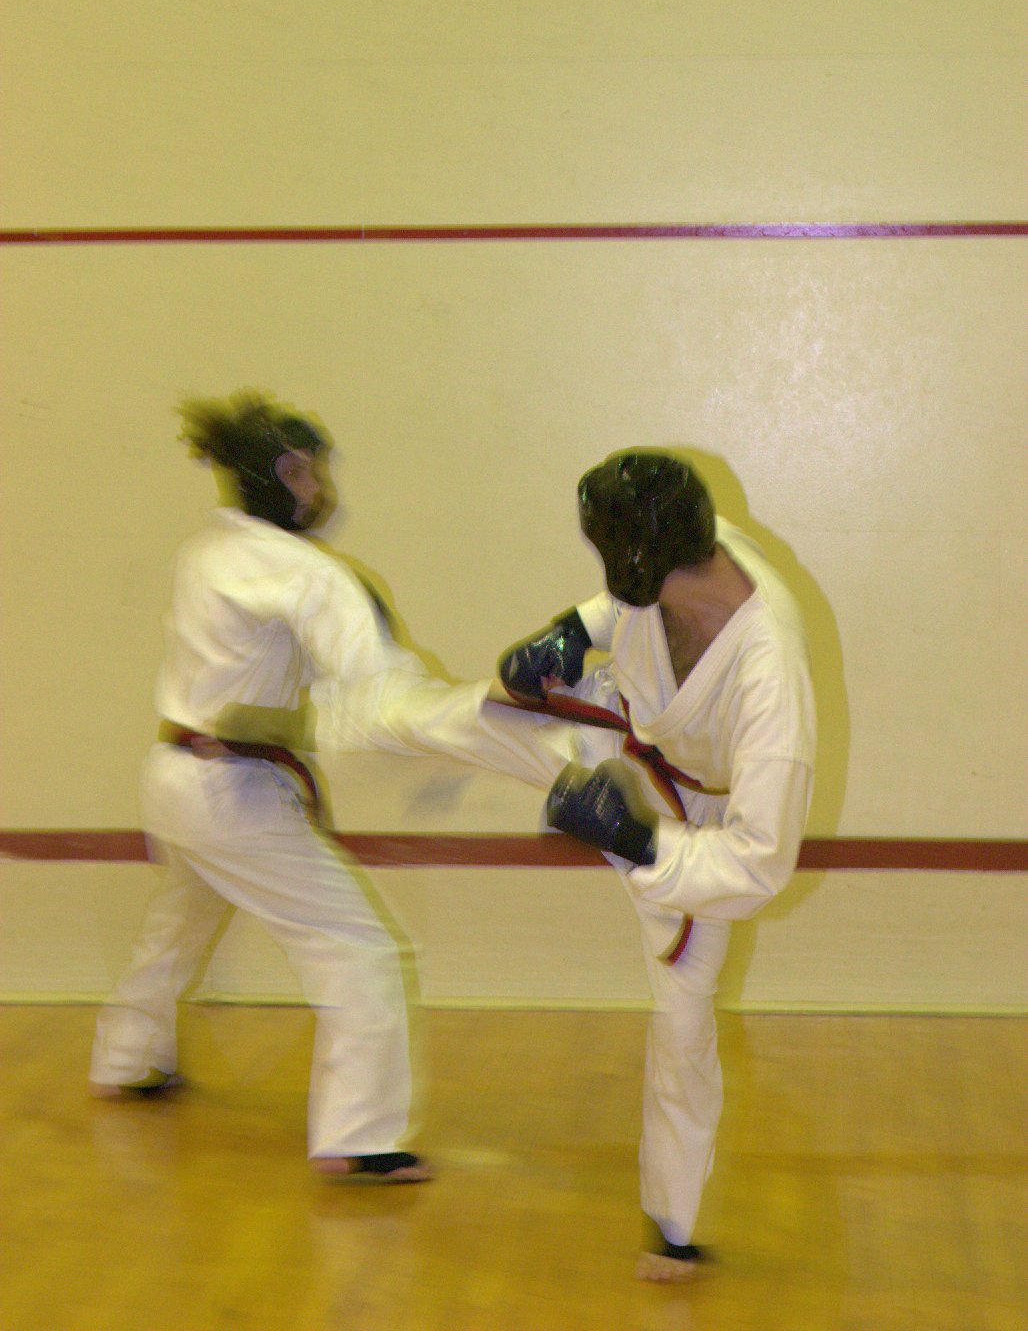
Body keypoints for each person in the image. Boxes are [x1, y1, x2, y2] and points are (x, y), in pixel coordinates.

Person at [321, 449, 816, 1278]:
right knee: (471, 713)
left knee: (683, 1021)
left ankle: (674, 1227)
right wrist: (574, 631)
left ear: (642, 557)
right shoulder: (702, 539)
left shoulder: (771, 676)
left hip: (692, 829)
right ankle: (335, 715)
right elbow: (620, 604)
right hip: (617, 732)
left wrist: (637, 838)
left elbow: (760, 864)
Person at [89, 392, 432, 1182]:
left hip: (171, 778)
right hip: (230, 793)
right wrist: (469, 721)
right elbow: (378, 692)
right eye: (301, 472)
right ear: (266, 476)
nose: (317, 489)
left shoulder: (204, 550)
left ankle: (125, 1058)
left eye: (317, 470)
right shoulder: (310, 574)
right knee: (358, 950)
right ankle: (360, 1137)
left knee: (177, 924)